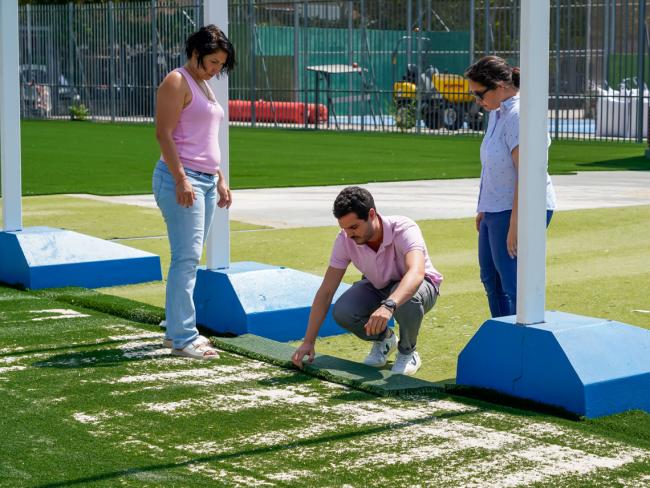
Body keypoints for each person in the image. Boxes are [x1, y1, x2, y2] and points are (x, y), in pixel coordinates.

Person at [291, 186, 442, 376]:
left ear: (371, 214)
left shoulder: (404, 228)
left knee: (406, 300)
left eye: (354, 227)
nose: (349, 235)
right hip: (377, 285)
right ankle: (386, 339)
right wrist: (308, 341)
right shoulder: (345, 239)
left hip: (419, 286)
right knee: (344, 311)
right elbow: (327, 291)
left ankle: (408, 352)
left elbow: (416, 272)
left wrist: (388, 306)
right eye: (344, 229)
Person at [153, 25, 235, 359]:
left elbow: (203, 138)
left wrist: (219, 177)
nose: (216, 70)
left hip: (203, 180)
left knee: (188, 259)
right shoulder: (177, 81)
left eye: (220, 65)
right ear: (195, 52)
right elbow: (164, 134)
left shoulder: (202, 84)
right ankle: (182, 337)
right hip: (181, 180)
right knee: (186, 259)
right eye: (212, 62)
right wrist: (181, 179)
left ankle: (178, 329)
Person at [465, 55, 556, 318]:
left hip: (518, 209)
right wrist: (484, 207)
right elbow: (492, 165)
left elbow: (525, 175)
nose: (478, 101)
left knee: (513, 284)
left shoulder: (519, 115)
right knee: (491, 280)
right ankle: (503, 335)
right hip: (496, 208)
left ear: (500, 86)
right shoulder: (497, 112)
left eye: (480, 93)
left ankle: (522, 343)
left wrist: (516, 225)